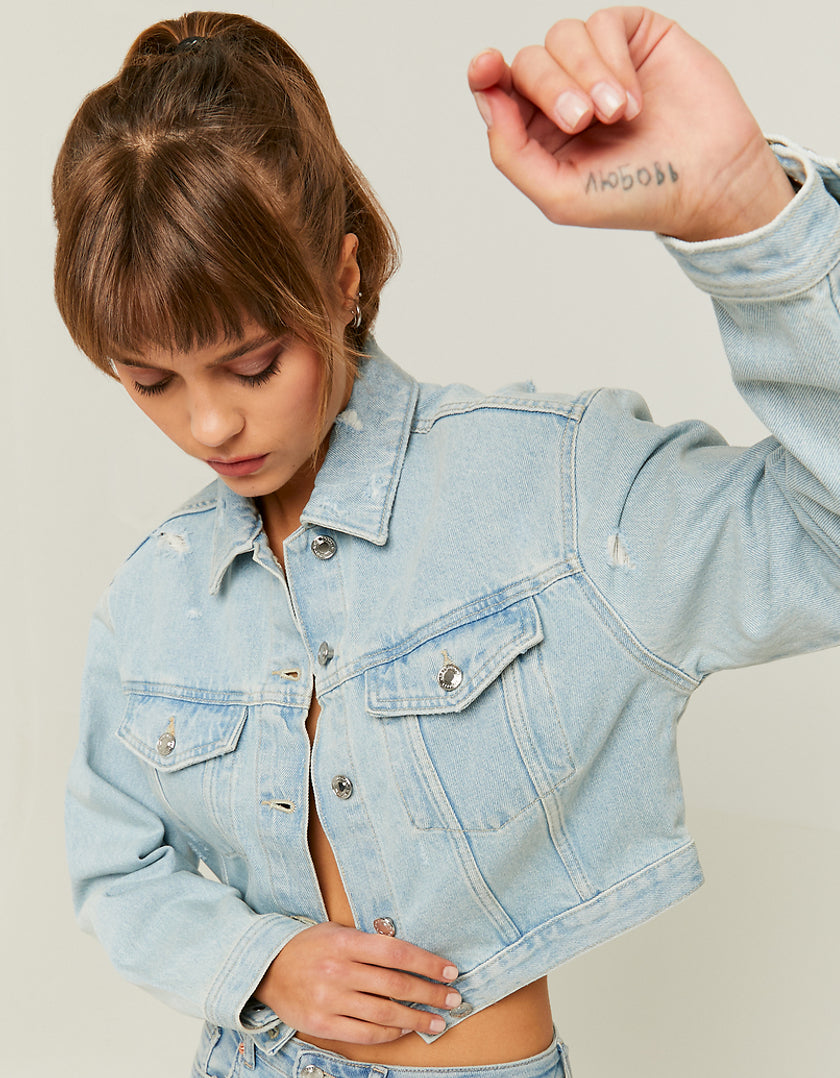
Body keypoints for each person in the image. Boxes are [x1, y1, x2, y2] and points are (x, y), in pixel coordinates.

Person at [55, 7, 840, 1077]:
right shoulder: (154, 596)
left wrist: (747, 210)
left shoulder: (548, 491)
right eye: (150, 380)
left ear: (340, 279)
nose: (208, 426)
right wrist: (262, 958)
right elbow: (113, 861)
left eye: (249, 363)